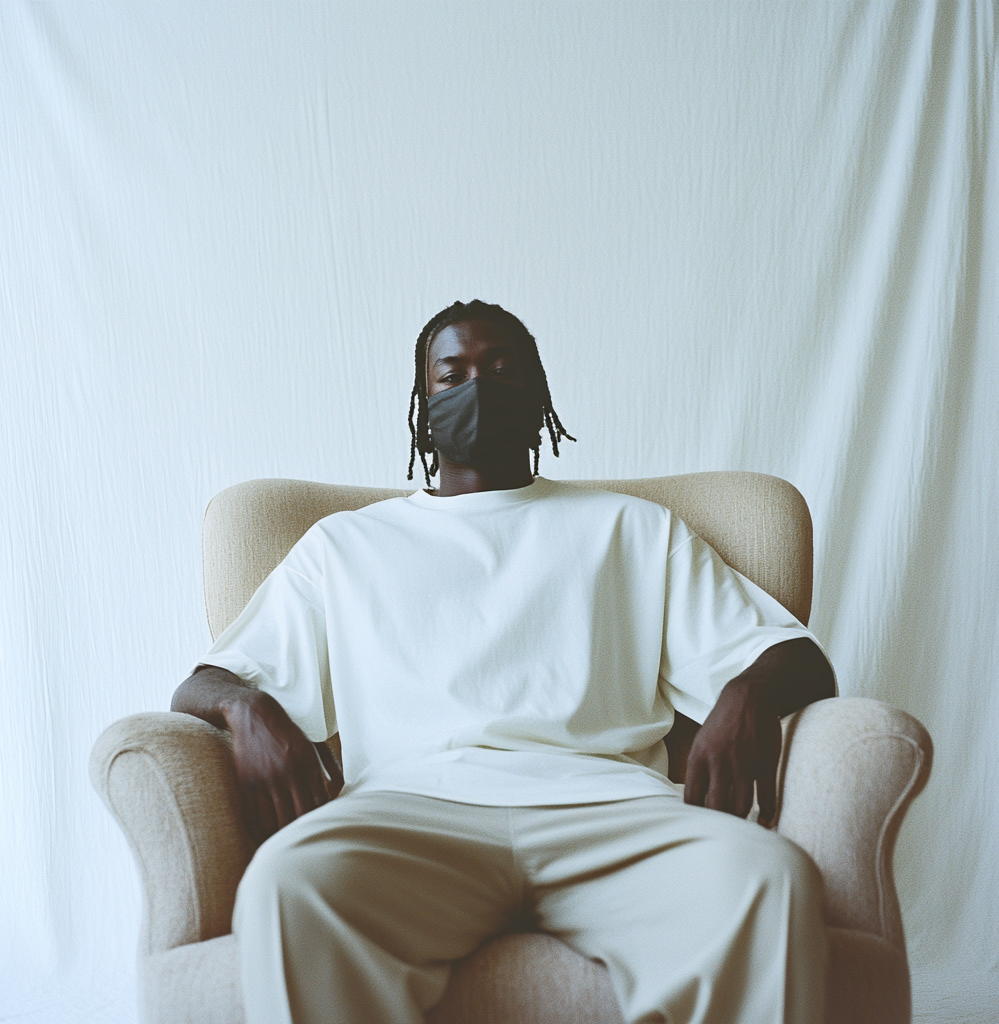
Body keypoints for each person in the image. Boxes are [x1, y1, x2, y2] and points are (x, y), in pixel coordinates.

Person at [172, 300, 836, 1024]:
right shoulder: (345, 547)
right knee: (287, 882)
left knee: (768, 878)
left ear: (540, 394)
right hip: (409, 818)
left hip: (613, 815)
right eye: (450, 376)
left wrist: (746, 695)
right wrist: (248, 707)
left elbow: (796, 659)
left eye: (500, 370)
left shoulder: (631, 529)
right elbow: (205, 681)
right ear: (422, 409)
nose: (476, 389)